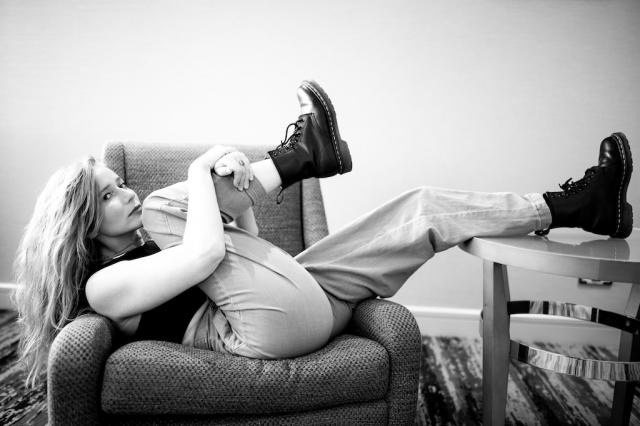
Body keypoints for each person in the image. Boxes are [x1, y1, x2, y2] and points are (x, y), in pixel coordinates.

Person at [13, 80, 633, 389]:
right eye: (105, 191)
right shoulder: (104, 288)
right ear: (83, 225)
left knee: (419, 209)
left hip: (295, 302)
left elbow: (257, 255)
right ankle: (297, 160)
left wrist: (233, 202)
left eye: (113, 180)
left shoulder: (160, 243)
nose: (121, 187)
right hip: (264, 334)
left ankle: (576, 206)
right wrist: (204, 170)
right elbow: (208, 252)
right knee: (163, 204)